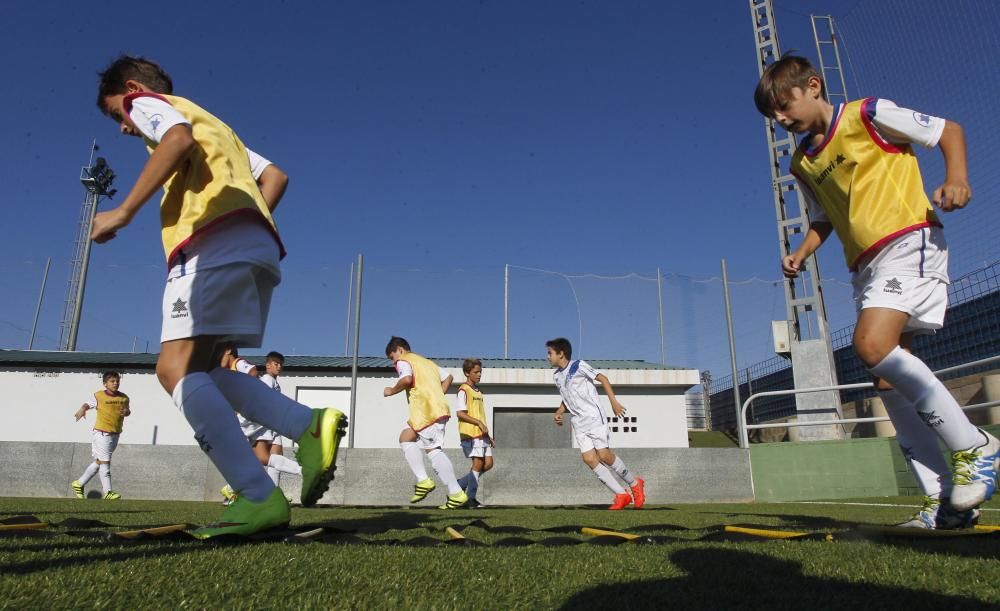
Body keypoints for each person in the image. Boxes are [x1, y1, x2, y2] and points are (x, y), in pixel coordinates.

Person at [92, 55, 345, 538]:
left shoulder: (150, 102)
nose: (124, 126)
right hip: (257, 247)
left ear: (128, 90)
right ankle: (305, 427)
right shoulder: (220, 130)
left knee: (172, 370)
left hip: (210, 247)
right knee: (204, 371)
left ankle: (256, 494)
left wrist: (122, 211)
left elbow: (176, 138)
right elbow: (276, 177)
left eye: (116, 115)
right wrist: (244, 226)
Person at [754, 55, 999, 528]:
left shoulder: (868, 114)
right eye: (773, 116)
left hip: (909, 239)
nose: (781, 119)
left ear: (812, 85)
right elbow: (824, 217)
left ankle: (975, 447)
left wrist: (956, 177)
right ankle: (941, 503)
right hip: (866, 265)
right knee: (885, 378)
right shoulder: (802, 162)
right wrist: (803, 251)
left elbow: (949, 130)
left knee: (869, 344)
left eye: (784, 106)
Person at [546, 338, 645, 510]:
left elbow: (603, 379)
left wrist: (614, 403)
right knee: (589, 458)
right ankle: (621, 494)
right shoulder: (556, 377)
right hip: (578, 422)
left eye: (550, 353)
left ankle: (635, 483)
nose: (547, 357)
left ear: (561, 354)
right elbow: (567, 399)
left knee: (604, 455)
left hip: (594, 417)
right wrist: (559, 412)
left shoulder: (578, 366)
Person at [383, 336, 468, 509]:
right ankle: (425, 480)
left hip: (426, 411)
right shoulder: (427, 362)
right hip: (432, 410)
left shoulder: (404, 361)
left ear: (399, 350)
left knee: (433, 451)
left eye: (392, 357)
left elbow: (406, 379)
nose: (394, 362)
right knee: (405, 438)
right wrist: (437, 394)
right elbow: (448, 377)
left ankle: (455, 492)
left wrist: (391, 390)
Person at [217, 347, 302, 505]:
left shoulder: (271, 382)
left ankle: (271, 496)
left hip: (266, 423)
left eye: (280, 364)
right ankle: (234, 488)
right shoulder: (264, 379)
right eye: (276, 363)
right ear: (268, 365)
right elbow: (253, 378)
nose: (279, 367)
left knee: (268, 459)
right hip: (254, 422)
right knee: (259, 459)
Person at [71, 371, 130, 500]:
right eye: (112, 381)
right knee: (105, 462)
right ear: (105, 383)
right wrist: (82, 409)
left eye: (117, 381)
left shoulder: (124, 397)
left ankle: (79, 483)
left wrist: (127, 412)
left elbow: (127, 411)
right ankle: (108, 492)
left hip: (115, 434)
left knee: (99, 462)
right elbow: (87, 403)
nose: (115, 383)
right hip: (101, 433)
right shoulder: (99, 395)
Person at [454, 358, 493, 508]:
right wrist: (477, 423)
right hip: (471, 433)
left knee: (488, 464)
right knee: (478, 463)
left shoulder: (478, 392)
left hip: (482, 435)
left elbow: (480, 415)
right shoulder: (463, 390)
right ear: (467, 373)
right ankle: (470, 499)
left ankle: (459, 485)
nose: (479, 375)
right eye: (476, 372)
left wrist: (488, 436)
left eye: (480, 372)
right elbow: (460, 413)